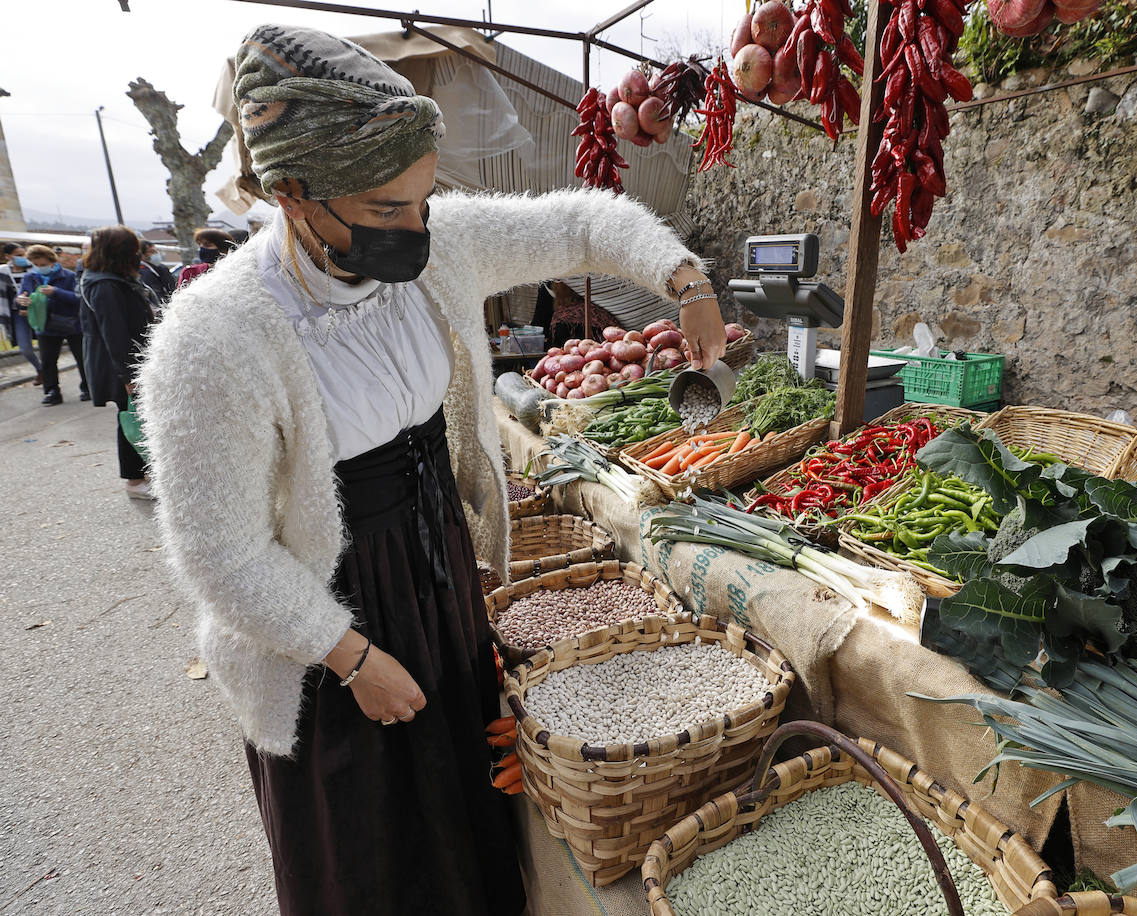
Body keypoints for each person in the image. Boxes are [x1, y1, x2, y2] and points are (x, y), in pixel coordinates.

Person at [137, 23, 726, 916]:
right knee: (368, 853)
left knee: (468, 828)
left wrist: (685, 279)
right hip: (320, 622)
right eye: (386, 211)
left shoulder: (439, 245)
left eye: (422, 201)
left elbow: (578, 221)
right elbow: (221, 558)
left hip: (436, 574)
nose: (417, 230)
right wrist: (351, 657)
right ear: (292, 193)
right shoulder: (214, 336)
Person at [80, 226, 158, 500]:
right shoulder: (104, 284)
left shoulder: (114, 278)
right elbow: (114, 334)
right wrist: (128, 376)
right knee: (131, 420)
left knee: (139, 417)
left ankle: (146, 474)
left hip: (132, 363)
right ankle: (135, 480)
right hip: (123, 367)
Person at [17, 244, 89, 405]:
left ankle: (88, 387)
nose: (40, 268)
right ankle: (52, 391)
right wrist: (21, 299)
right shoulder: (30, 277)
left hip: (72, 323)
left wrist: (56, 292)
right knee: (48, 360)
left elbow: (78, 299)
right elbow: (23, 294)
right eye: (36, 265)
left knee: (82, 358)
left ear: (52, 262)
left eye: (43, 265)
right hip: (45, 325)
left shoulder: (69, 276)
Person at [4, 244, 41, 384]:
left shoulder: (35, 270)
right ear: (8, 256)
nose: (22, 258)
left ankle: (49, 372)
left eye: (23, 254)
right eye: (18, 255)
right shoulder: (3, 272)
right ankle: (40, 369)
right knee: (25, 348)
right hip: (17, 314)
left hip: (37, 311)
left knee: (46, 344)